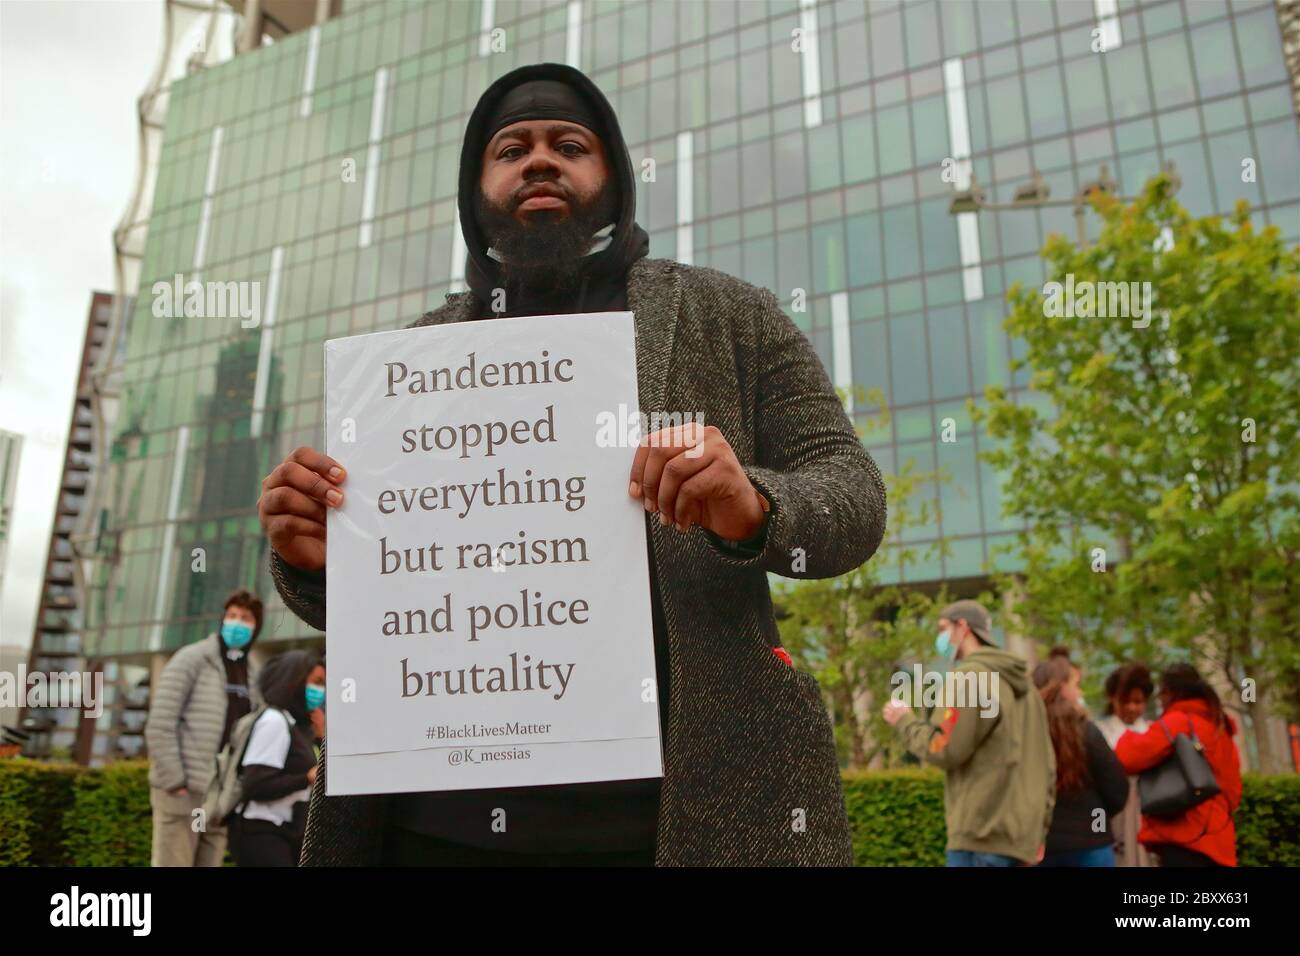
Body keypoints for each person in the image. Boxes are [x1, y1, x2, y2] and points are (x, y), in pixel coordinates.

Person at [257, 62, 887, 866]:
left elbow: (853, 493)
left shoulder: (726, 313)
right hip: (428, 827)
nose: (540, 161)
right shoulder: (409, 360)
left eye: (569, 144)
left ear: (613, 177)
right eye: (511, 148)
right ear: (476, 188)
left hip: (676, 817)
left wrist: (753, 503)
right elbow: (388, 596)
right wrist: (314, 556)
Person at [882, 600, 1055, 867]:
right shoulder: (1027, 688)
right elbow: (1047, 766)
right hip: (1020, 842)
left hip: (980, 840)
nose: (940, 638)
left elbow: (944, 748)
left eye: (942, 628)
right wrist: (1036, 834)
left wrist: (905, 722)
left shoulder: (968, 678)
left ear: (962, 627)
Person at [144, 589, 264, 866]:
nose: (237, 623)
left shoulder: (253, 673)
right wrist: (175, 781)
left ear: (256, 627)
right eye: (232, 615)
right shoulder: (192, 658)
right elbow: (161, 722)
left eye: (245, 618)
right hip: (183, 793)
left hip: (220, 799)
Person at [1115, 663, 1242, 867]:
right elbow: (1234, 788)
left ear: (1170, 692)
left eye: (1161, 694)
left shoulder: (1178, 721)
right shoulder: (1219, 725)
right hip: (1220, 838)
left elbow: (1127, 758)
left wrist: (1126, 734)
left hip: (1186, 837)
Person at [229, 651, 323, 867]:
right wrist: (306, 778)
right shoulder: (274, 722)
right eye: (316, 682)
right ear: (294, 680)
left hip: (284, 830)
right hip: (260, 831)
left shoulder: (298, 726)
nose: (320, 691)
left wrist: (321, 737)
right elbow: (256, 784)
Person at [1032, 657, 1129, 866]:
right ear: (1062, 688)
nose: (1080, 693)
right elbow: (1117, 790)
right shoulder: (1087, 732)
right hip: (1093, 840)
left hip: (1039, 846)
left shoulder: (1024, 735)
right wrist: (1098, 819)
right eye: (1076, 685)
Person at [1095, 662, 1154, 866]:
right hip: (1114, 814)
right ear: (1112, 699)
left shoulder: (1153, 731)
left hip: (1148, 812)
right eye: (1124, 701)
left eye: (1137, 701)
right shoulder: (1099, 732)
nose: (1131, 707)